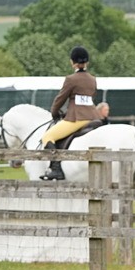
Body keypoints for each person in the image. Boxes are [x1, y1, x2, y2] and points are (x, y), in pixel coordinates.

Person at [39, 46, 98, 180]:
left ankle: (56, 169)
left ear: (72, 62)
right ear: (87, 62)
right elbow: (89, 98)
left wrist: (54, 112)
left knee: (47, 137)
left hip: (77, 119)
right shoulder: (92, 79)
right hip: (93, 116)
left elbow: (60, 98)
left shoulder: (71, 79)